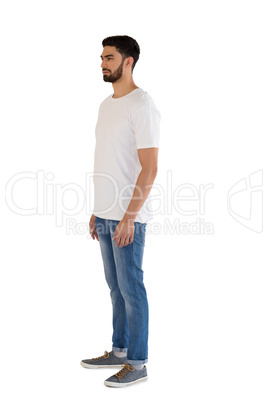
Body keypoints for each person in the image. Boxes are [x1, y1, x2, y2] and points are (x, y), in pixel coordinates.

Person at [80, 35, 161, 388]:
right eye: (101, 57)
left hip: (129, 217)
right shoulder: (106, 105)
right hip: (107, 213)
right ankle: (119, 350)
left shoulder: (142, 105)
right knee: (115, 288)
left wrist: (129, 216)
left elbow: (150, 167)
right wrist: (99, 211)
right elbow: (108, 161)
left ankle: (138, 363)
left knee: (132, 290)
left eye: (109, 57)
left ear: (128, 62)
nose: (102, 63)